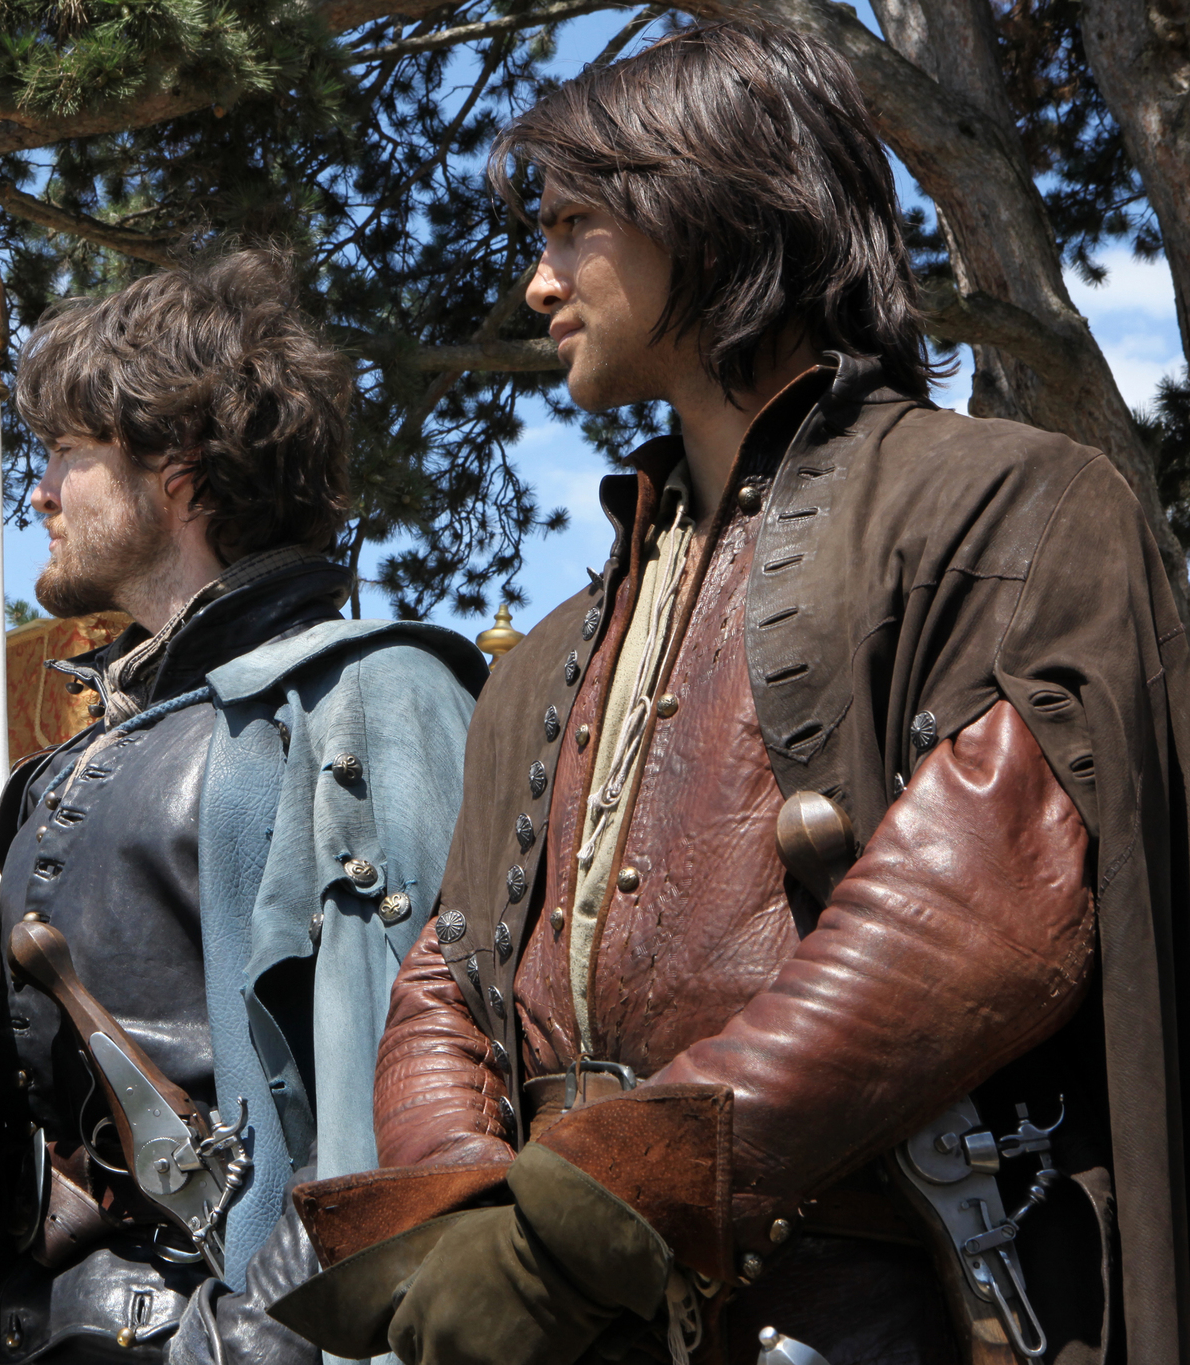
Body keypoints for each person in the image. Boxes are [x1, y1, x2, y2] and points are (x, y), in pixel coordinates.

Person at [296, 18, 1189, 1365]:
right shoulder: (546, 654)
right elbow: (451, 969)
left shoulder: (1008, 505)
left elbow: (978, 905)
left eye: (572, 225)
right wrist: (472, 1225)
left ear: (711, 210)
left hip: (885, 1311)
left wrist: (577, 1218)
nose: (538, 285)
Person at [0, 249, 490, 1364]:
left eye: (65, 456)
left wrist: (260, 1341)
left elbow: (413, 1101)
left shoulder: (364, 693)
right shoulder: (64, 765)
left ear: (182, 481)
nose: (39, 493)